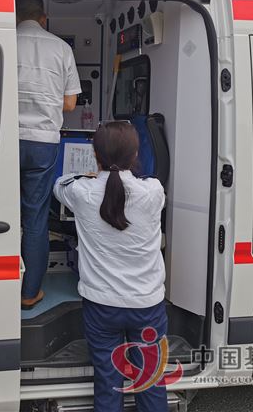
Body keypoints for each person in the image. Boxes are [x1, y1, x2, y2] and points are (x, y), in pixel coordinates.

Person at [53, 122, 167, 412]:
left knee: (107, 382)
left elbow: (59, 184)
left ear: (95, 154)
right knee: (150, 381)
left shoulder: (80, 191)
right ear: (136, 154)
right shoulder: (153, 191)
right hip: (147, 305)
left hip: (101, 306)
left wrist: (91, 175)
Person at [16, 0, 82, 309]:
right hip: (43, 142)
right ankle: (29, 293)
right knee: (35, 218)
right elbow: (69, 104)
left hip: (4, 140)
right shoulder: (61, 48)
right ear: (44, 17)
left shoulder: (4, 40)